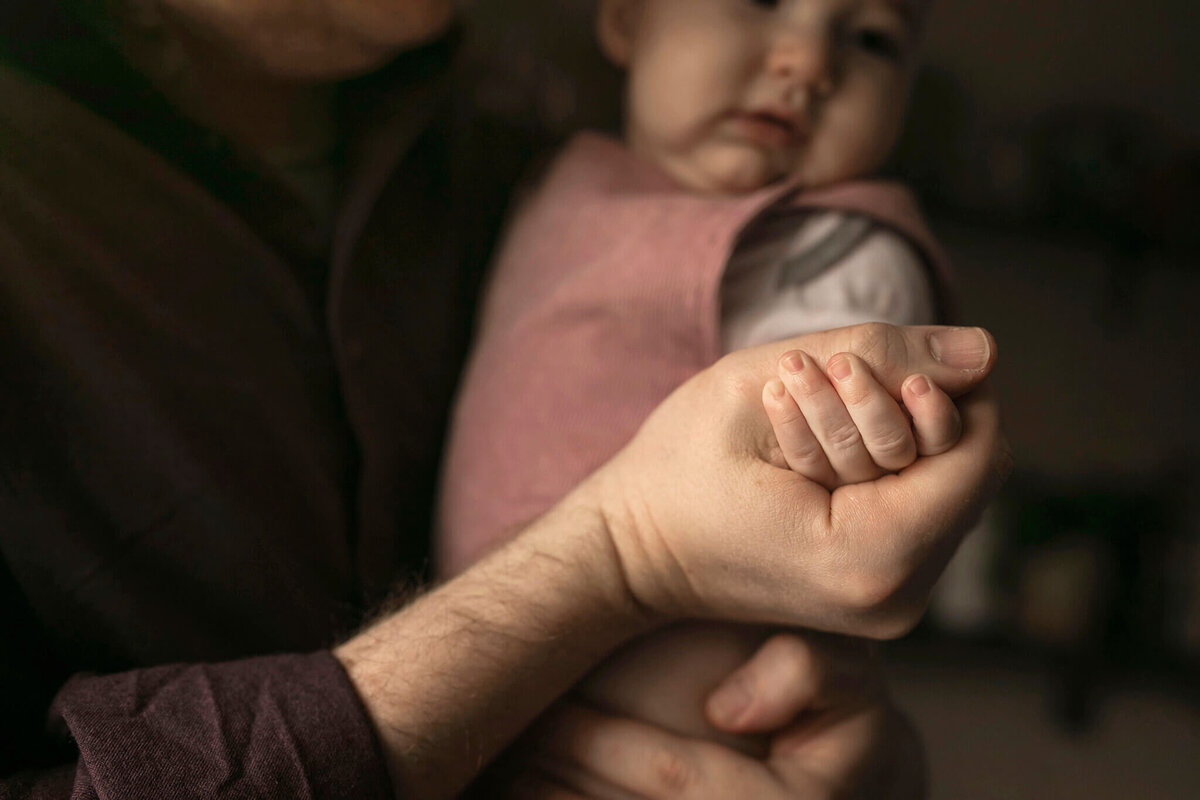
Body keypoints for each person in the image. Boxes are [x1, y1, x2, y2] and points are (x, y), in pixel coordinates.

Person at [0, 1, 1008, 799]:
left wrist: (862, 760)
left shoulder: (499, 128)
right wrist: (615, 556)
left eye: (872, 38)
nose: (806, 62)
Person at [436, 0, 980, 773]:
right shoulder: (555, 183)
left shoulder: (839, 252)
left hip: (666, 746)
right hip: (481, 712)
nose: (810, 63)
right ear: (626, 18)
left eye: (871, 40)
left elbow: (837, 504)